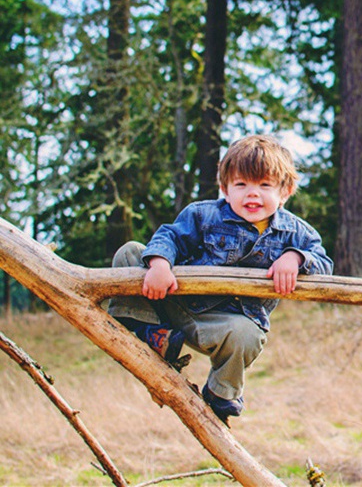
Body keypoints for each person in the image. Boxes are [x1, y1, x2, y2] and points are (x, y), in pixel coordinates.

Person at [108, 134, 333, 424]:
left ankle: (221, 392)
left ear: (285, 191)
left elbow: (324, 262)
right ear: (225, 188)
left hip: (224, 325)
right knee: (130, 254)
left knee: (248, 335)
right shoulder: (204, 215)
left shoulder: (296, 233)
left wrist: (297, 258)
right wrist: (160, 263)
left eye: (264, 185)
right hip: (177, 304)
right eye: (241, 185)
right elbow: (170, 236)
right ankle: (152, 334)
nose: (253, 194)